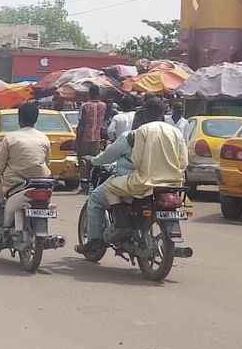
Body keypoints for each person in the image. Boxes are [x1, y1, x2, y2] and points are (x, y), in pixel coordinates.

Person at [75, 97, 187, 254]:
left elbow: (137, 160)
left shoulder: (139, 132)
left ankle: (117, 229)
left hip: (144, 181)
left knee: (106, 190)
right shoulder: (176, 132)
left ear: (144, 113)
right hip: (172, 183)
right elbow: (183, 161)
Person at [0, 103, 52, 241]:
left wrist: (0, 174)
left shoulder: (10, 137)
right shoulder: (44, 138)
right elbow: (47, 161)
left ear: (19, 119)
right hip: (41, 182)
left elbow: (0, 163)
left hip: (14, 183)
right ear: (36, 119)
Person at [78, 126, 137, 251]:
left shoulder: (131, 136)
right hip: (163, 182)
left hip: (133, 182)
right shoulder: (172, 134)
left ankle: (95, 240)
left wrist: (93, 160)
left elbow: (108, 156)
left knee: (96, 198)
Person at [76, 84, 107, 193]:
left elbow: (81, 124)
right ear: (98, 94)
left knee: (83, 160)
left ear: (89, 94)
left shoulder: (85, 106)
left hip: (85, 137)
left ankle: (85, 186)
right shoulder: (103, 106)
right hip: (97, 138)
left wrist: (77, 141)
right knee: (94, 161)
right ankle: (93, 184)